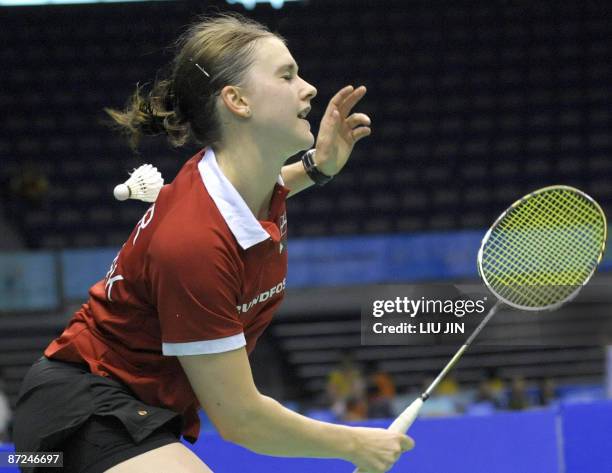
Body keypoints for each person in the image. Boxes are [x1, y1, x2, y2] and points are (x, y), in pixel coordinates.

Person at [13, 12, 413, 473]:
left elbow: (270, 188)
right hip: (77, 418)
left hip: (134, 414)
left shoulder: (241, 188)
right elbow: (241, 420)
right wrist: (355, 445)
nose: (309, 88)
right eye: (287, 75)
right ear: (237, 100)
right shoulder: (194, 243)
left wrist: (319, 167)